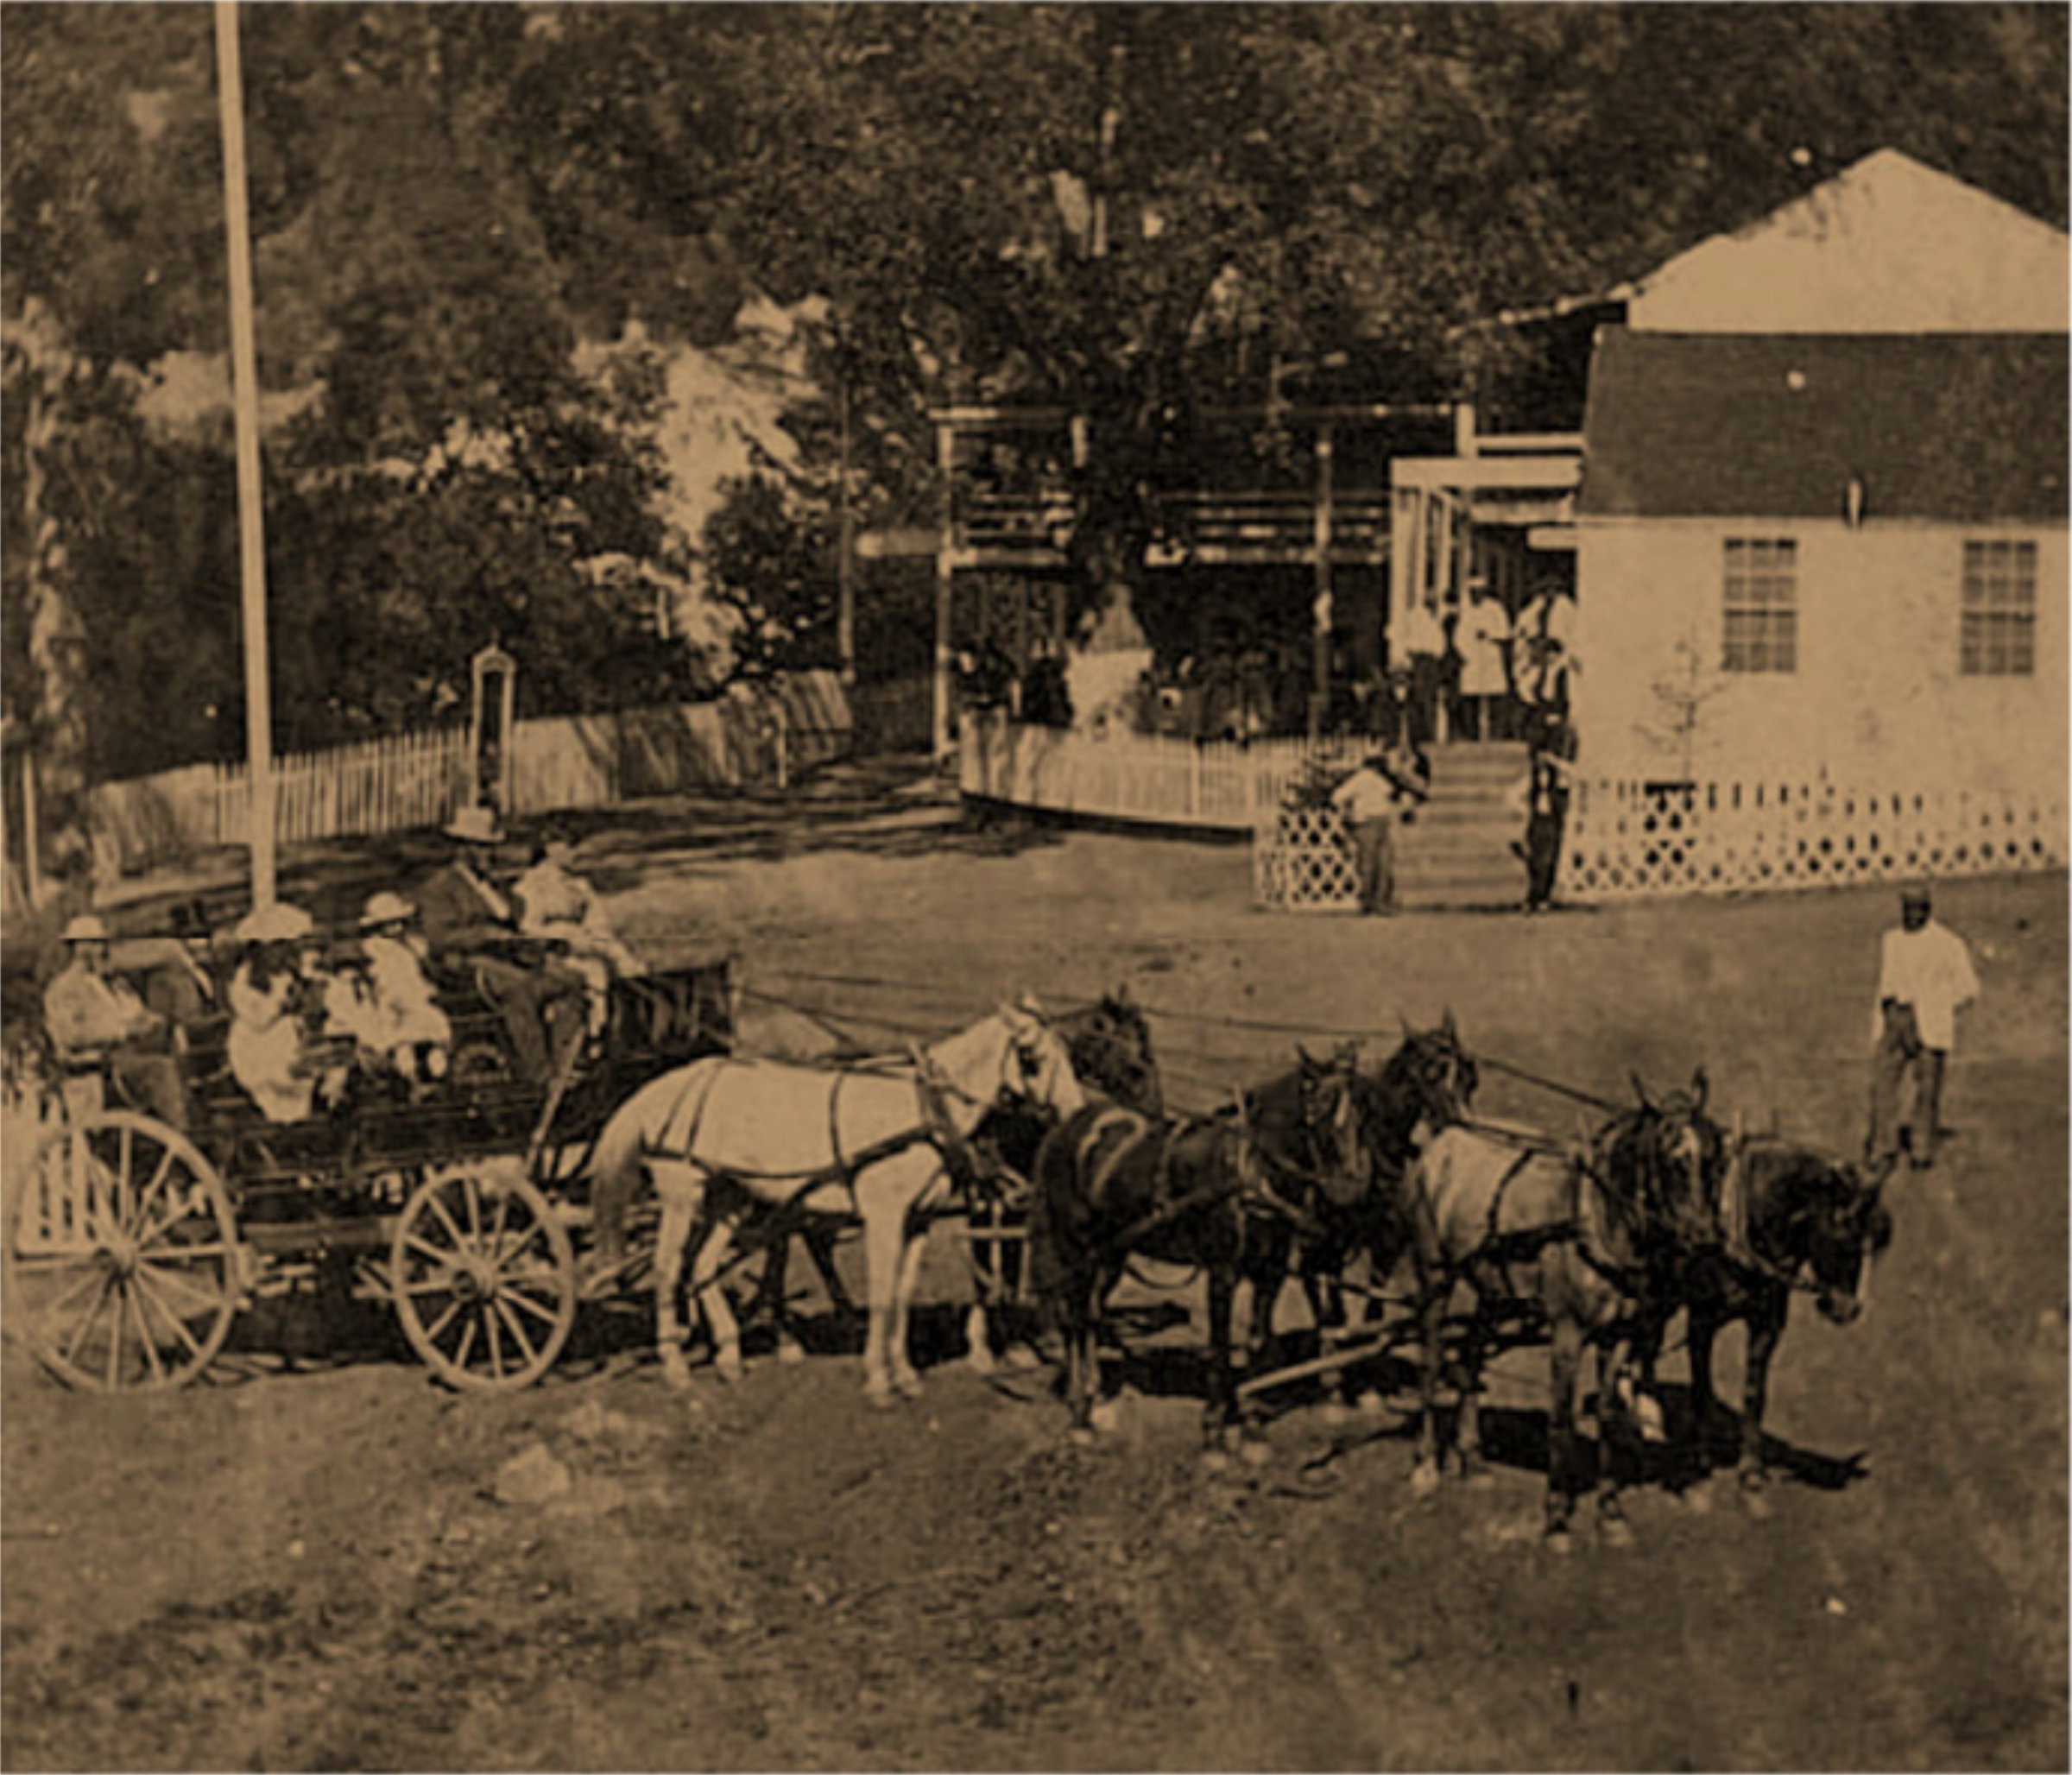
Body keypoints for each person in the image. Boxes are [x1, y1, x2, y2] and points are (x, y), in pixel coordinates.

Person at [415, 805, 589, 1087]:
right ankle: (540, 1074)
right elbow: (439, 937)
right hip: (464, 965)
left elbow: (514, 919)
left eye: (491, 848)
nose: (490, 855)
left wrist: (532, 941)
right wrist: (485, 934)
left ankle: (566, 1062)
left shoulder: (492, 886)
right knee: (519, 989)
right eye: (482, 848)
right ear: (463, 848)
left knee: (570, 981)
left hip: (506, 957)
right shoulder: (441, 887)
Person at [1866, 884, 1980, 1173]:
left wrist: (1938, 1005)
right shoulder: (1891, 940)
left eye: (1918, 909)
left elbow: (1969, 988)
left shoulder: (1947, 943)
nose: (1911, 915)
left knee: (1927, 1090)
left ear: (1928, 910)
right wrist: (1882, 1022)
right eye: (1907, 909)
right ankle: (1883, 1147)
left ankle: (1921, 1148)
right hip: (1895, 1019)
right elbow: (1885, 982)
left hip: (1928, 1024)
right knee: (1882, 1085)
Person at [43, 913, 187, 1128]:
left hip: (132, 1055)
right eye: (89, 943)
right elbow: (70, 1035)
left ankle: (203, 1123)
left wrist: (156, 1022)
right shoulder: (64, 989)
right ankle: (183, 1132)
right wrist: (120, 1031)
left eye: (99, 943)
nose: (96, 949)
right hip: (102, 1066)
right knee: (160, 1069)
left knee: (189, 1056)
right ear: (75, 948)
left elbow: (138, 1013)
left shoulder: (115, 984)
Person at [512, 833, 646, 1034]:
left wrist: (621, 957)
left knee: (628, 971)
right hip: (550, 956)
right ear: (549, 849)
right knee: (592, 973)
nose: (574, 854)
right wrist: (564, 935)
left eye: (574, 847)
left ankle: (620, 1030)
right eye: (568, 846)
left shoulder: (579, 887)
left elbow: (599, 928)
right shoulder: (529, 886)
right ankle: (588, 1036)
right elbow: (527, 929)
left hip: (586, 948)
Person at [227, 903, 321, 1124]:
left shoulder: (287, 976)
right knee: (288, 1077)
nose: (282, 954)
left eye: (285, 946)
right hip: (257, 1049)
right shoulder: (245, 983)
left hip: (287, 1042)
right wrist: (284, 1004)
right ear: (258, 951)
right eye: (277, 947)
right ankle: (287, 1125)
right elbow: (258, 1020)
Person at [357, 892, 452, 1083]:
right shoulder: (376, 948)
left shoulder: (412, 945)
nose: (395, 928)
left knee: (432, 1033)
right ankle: (410, 1078)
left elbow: (420, 971)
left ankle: (436, 1073)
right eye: (388, 924)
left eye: (398, 922)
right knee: (400, 1041)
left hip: (415, 996)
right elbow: (381, 978)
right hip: (392, 999)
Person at [1330, 747, 1428, 916]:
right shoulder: (1361, 779)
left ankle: (1381, 901)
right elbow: (1337, 797)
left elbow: (1395, 796)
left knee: (1384, 862)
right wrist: (1349, 815)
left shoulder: (1382, 780)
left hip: (1382, 822)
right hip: (1366, 823)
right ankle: (1369, 901)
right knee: (1370, 864)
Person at [143, 900, 223, 1047]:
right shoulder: (163, 977)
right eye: (193, 935)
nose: (201, 942)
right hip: (187, 1043)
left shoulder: (208, 971)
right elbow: (164, 1025)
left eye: (204, 934)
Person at [1458, 590, 1512, 742]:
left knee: (1495, 696)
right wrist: (1466, 652)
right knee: (1471, 697)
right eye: (1472, 593)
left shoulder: (1495, 609)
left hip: (1490, 656)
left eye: (1478, 593)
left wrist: (1489, 633)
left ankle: (1496, 734)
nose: (1475, 596)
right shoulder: (1467, 612)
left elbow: (1505, 633)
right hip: (1472, 659)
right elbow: (1460, 636)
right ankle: (1472, 735)